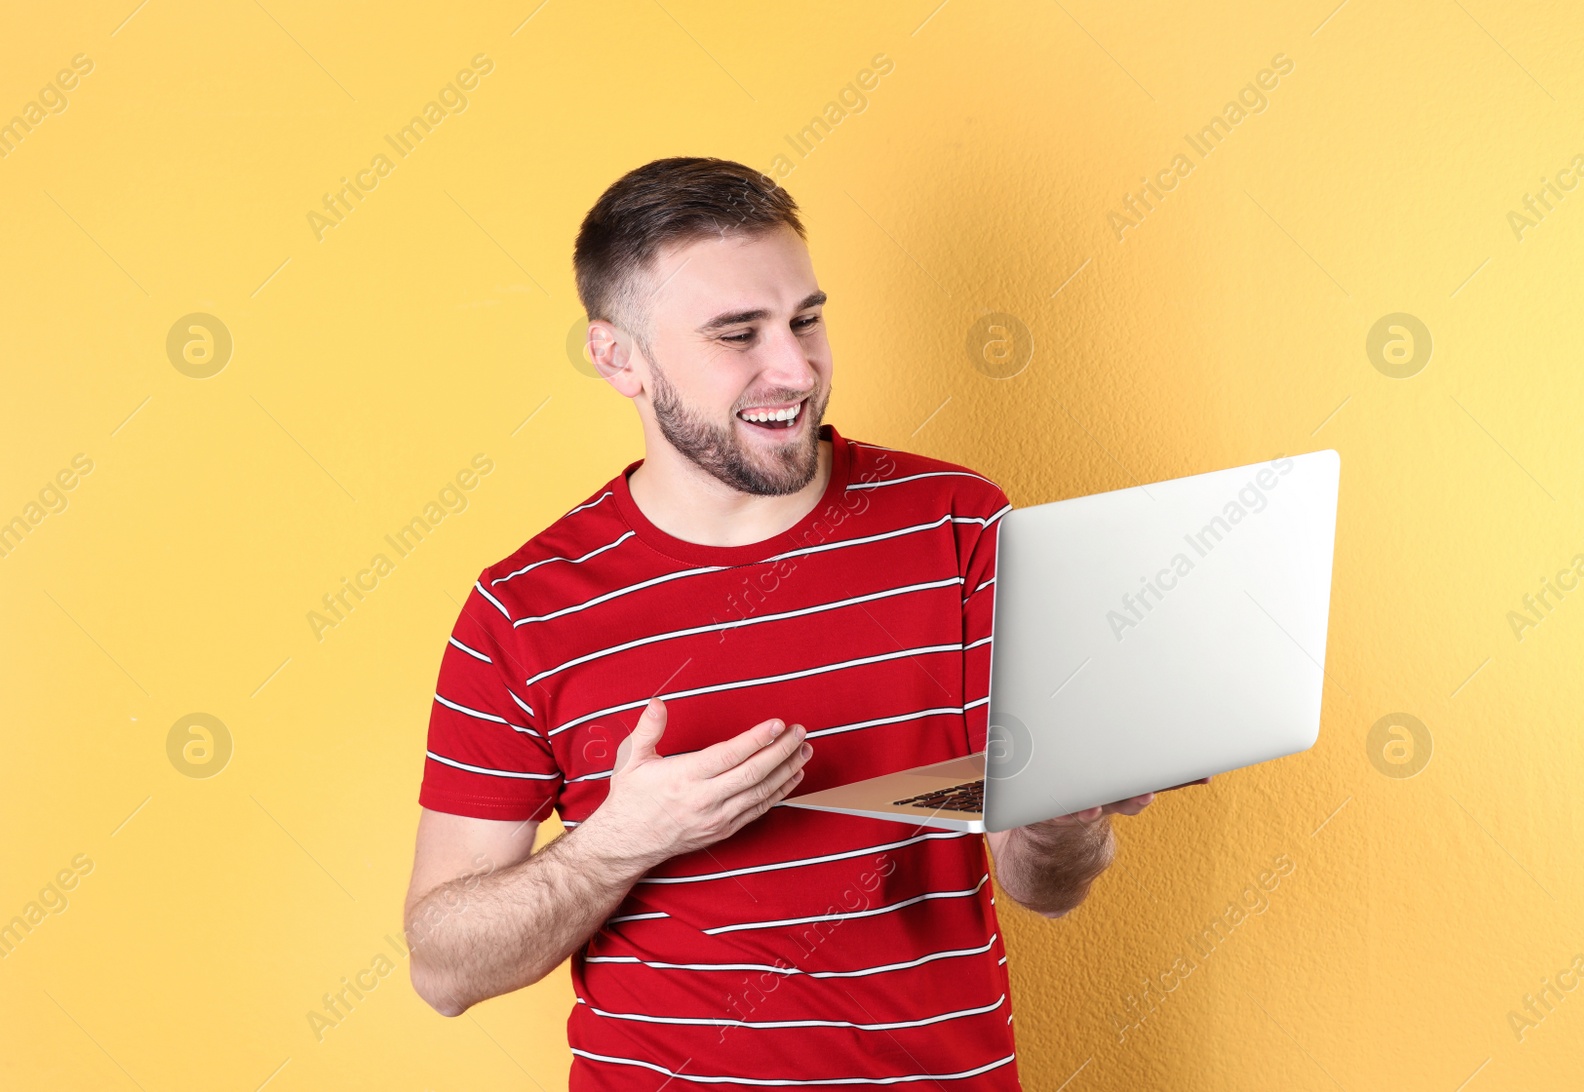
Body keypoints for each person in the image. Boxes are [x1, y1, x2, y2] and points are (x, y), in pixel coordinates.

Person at [402, 156, 1193, 1088]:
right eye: (737, 334)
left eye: (806, 320)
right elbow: (444, 969)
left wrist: (1067, 819)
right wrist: (625, 837)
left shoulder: (959, 526)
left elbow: (1044, 887)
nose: (796, 367)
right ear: (618, 357)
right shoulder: (526, 607)